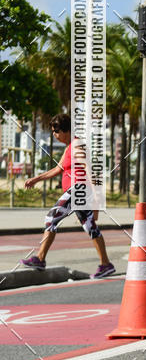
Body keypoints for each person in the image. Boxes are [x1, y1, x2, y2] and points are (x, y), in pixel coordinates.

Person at [20, 113, 115, 279]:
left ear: (65, 130)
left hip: (78, 189)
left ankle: (40, 259)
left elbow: (89, 171)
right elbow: (58, 169)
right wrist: (36, 179)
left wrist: (97, 201)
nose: (55, 136)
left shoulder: (77, 145)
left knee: (51, 219)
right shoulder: (70, 147)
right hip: (79, 191)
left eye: (56, 132)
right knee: (90, 227)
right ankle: (106, 264)